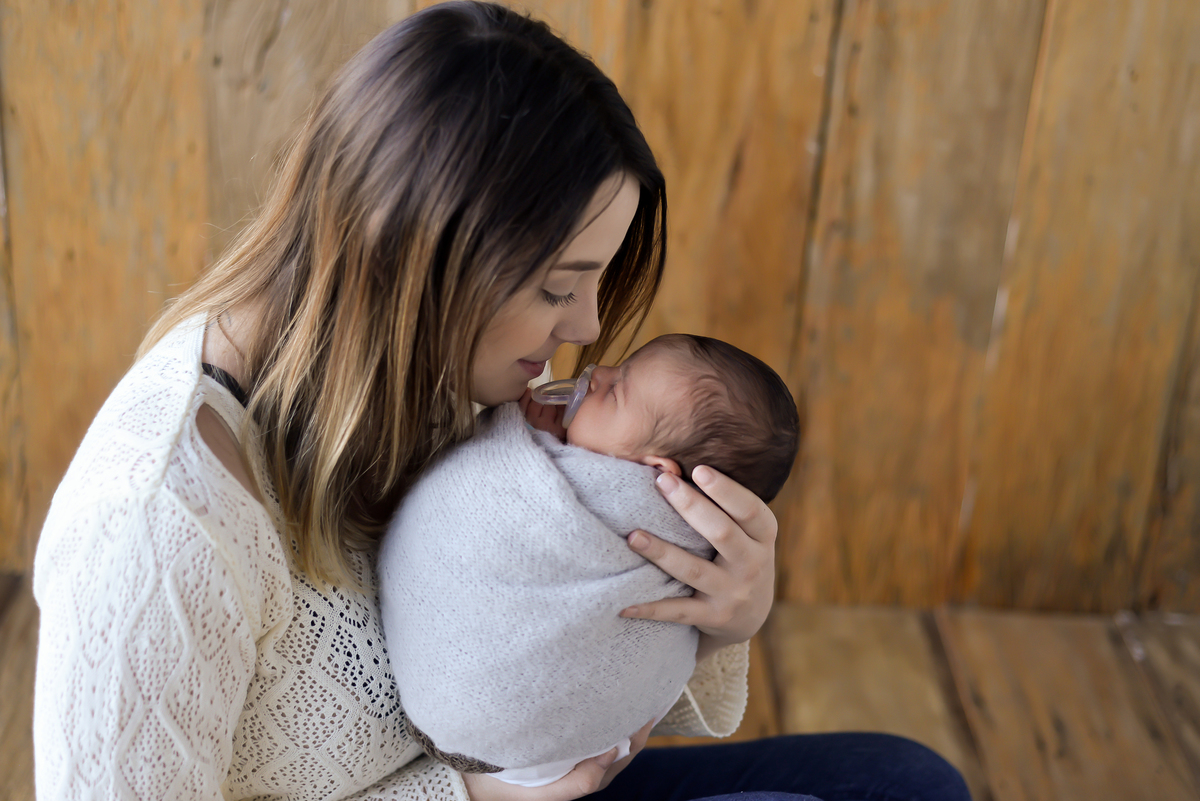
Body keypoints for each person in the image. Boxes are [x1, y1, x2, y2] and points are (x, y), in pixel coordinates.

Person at [30, 3, 973, 800]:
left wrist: (717, 614)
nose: (588, 326)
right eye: (559, 287)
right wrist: (473, 798)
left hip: (510, 778)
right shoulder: (156, 525)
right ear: (420, 259)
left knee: (904, 780)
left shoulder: (429, 379)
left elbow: (549, 649)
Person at [379, 334, 801, 788]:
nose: (597, 371)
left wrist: (728, 629)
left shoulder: (529, 372)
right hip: (542, 770)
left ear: (657, 472)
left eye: (616, 390)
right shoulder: (535, 385)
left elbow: (617, 631)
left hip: (558, 753)